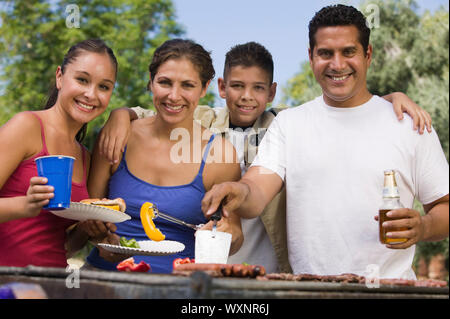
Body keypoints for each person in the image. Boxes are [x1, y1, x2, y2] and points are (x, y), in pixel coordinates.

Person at [98, 39, 433, 274]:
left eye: (258, 88)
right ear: (220, 88)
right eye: (237, 86)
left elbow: (340, 114)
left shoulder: (286, 124)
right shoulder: (204, 121)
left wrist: (390, 99)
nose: (246, 97)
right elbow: (157, 111)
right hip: (213, 265)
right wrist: (120, 113)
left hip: (265, 264)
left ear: (271, 91)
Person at [201, 4, 449, 279]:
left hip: (390, 291)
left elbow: (444, 206)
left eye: (348, 52)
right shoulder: (290, 124)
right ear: (311, 57)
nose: (337, 64)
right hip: (309, 290)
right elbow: (256, 189)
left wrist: (423, 227)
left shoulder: (410, 124)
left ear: (367, 55)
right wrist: (237, 191)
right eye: (325, 53)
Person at [86, 39, 243, 273]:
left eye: (187, 85)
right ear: (151, 82)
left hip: (181, 287)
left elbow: (236, 236)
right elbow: (86, 215)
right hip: (105, 277)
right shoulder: (118, 138)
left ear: (204, 87)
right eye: (164, 82)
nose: (173, 96)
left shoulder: (219, 154)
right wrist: (99, 238)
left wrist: (227, 234)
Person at [0, 39, 118, 268]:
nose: (91, 94)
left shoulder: (84, 156)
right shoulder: (26, 126)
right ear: (59, 77)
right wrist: (25, 205)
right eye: (82, 80)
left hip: (50, 285)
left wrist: (86, 231)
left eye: (104, 87)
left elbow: (61, 246)